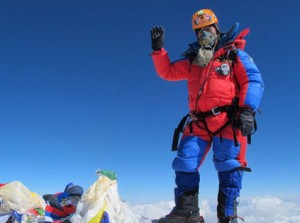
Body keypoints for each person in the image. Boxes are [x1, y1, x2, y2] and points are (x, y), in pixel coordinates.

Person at [150, 9, 264, 223]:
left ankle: (229, 217)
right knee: (185, 162)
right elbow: (168, 72)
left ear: (217, 28)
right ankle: (186, 214)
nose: (204, 34)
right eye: (199, 31)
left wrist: (248, 110)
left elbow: (253, 80)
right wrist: (158, 51)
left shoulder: (233, 55)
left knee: (229, 165)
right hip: (199, 122)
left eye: (208, 29)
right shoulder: (194, 61)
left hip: (229, 121)